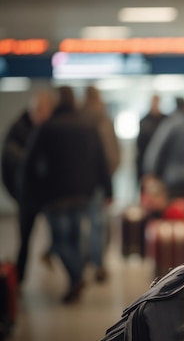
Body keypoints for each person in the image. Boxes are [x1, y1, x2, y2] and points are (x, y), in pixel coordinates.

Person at [22, 86, 112, 303]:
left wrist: (32, 191)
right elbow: (101, 160)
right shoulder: (87, 126)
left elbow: (29, 162)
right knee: (74, 238)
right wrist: (107, 189)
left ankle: (76, 276)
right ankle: (75, 279)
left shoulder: (47, 128)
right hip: (83, 194)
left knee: (61, 242)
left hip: (56, 195)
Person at [1, 89, 54, 283]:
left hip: (47, 196)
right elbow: (10, 164)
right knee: (24, 241)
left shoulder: (50, 128)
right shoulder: (18, 130)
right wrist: (17, 193)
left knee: (59, 238)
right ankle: (19, 281)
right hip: (27, 196)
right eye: (40, 110)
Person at [81, 85, 120, 282]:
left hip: (79, 183)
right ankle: (97, 264)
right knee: (98, 224)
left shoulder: (78, 118)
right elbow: (109, 154)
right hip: (98, 182)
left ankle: (85, 262)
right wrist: (110, 177)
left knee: (83, 224)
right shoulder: (100, 120)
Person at [136, 94, 165, 183]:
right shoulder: (144, 122)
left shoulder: (165, 121)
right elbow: (140, 148)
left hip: (161, 166)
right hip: (147, 166)